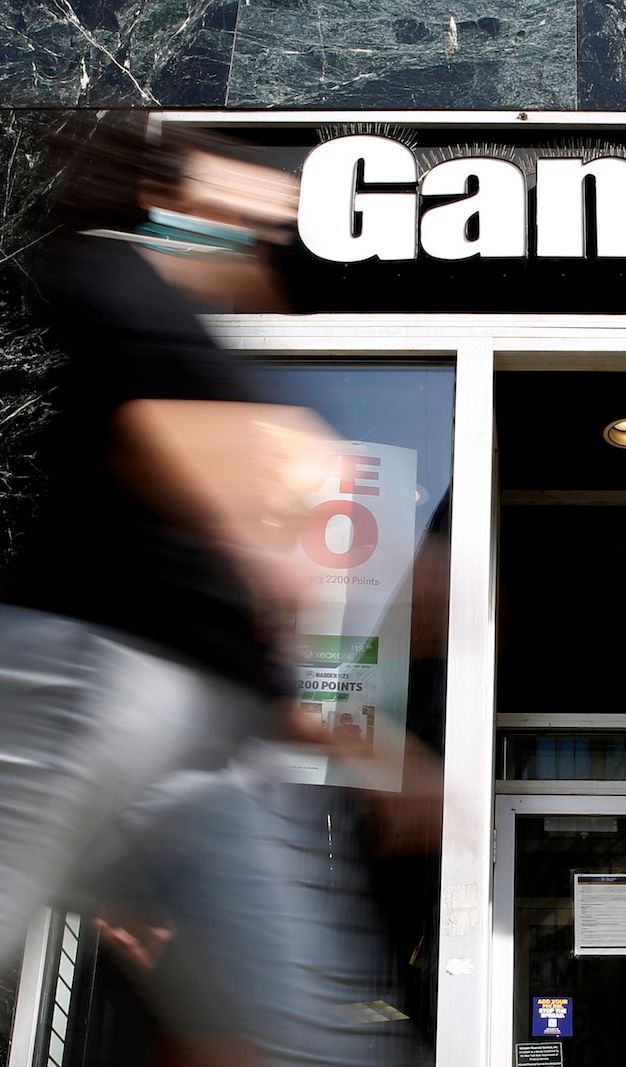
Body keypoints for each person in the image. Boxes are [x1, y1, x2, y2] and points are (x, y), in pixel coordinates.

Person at [0, 116, 417, 1066]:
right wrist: (277, 510)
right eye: (251, 208)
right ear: (170, 194)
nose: (269, 232)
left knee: (295, 1039)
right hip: (85, 677)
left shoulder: (163, 309)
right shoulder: (114, 278)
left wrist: (364, 738)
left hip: (201, 732)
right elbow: (162, 440)